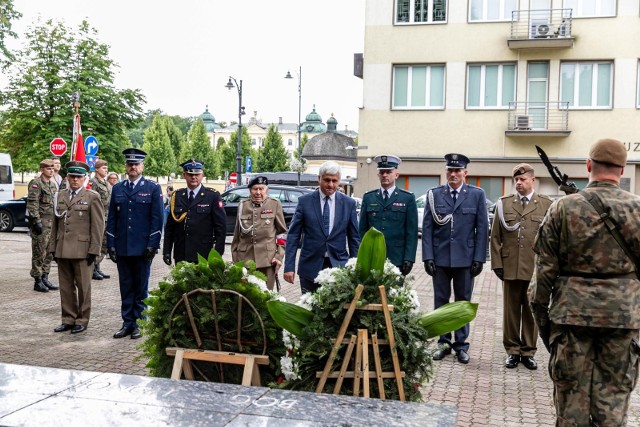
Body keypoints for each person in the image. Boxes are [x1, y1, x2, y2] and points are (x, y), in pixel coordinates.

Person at [529, 138, 640, 426]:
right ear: (623, 169)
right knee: (613, 408)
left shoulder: (561, 209)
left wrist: (547, 330)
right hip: (622, 320)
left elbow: (541, 282)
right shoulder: (638, 209)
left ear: (588, 165)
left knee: (571, 411)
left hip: (571, 321)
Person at [422, 153, 488, 364]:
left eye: (457, 171)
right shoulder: (434, 195)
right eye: (450, 170)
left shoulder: (476, 195)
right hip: (440, 258)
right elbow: (427, 229)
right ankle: (443, 343)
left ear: (465, 173)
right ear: (446, 172)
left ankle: (461, 345)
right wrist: (427, 257)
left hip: (465, 259)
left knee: (463, 302)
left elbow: (482, 229)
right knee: (441, 301)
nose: (453, 174)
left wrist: (479, 258)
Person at [490, 164, 552, 370]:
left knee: (531, 311)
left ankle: (528, 351)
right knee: (511, 311)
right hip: (510, 266)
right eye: (516, 180)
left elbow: (550, 239)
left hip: (535, 268)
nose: (518, 183)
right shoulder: (504, 204)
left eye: (523, 179)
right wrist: (497, 264)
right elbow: (495, 237)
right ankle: (512, 351)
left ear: (532, 180)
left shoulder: (546, 204)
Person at [106, 148, 163, 340]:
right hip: (123, 247)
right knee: (126, 286)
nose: (133, 167)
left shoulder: (152, 188)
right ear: (126, 166)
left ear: (142, 166)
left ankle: (139, 323)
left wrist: (153, 244)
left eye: (136, 164)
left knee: (141, 287)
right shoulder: (118, 188)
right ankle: (127, 322)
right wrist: (111, 244)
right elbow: (112, 219)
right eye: (130, 164)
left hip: (142, 248)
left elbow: (157, 219)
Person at [284, 161, 360, 294]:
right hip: (310, 267)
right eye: (327, 180)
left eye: (334, 181)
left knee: (336, 312)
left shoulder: (349, 204)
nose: (331, 184)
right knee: (309, 309)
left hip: (339, 267)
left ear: (339, 181)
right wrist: (289, 267)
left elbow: (354, 239)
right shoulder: (304, 202)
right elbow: (293, 235)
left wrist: (356, 268)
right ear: (319, 179)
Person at [50, 161, 104, 334]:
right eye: (72, 176)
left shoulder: (92, 196)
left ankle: (82, 319)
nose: (75, 180)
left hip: (82, 251)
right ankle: (68, 318)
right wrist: (52, 248)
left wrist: (94, 250)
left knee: (84, 288)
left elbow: (97, 226)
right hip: (63, 248)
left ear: (84, 178)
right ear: (67, 177)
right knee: (65, 287)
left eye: (78, 177)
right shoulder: (60, 195)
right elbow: (55, 224)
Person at [359, 154, 417, 275]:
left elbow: (411, 232)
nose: (385, 175)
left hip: (396, 257)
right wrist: (360, 256)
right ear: (378, 175)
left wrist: (409, 258)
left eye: (389, 172)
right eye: (382, 172)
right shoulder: (369, 197)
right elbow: (362, 230)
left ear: (396, 175)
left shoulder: (407, 198)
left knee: (395, 293)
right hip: (372, 257)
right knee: (372, 293)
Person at [163, 159, 226, 264]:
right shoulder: (177, 196)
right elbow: (170, 228)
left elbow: (221, 228)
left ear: (202, 175)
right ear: (184, 175)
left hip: (203, 254)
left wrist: (218, 254)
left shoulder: (212, 196)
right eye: (190, 174)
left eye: (197, 174)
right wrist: (167, 251)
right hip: (181, 253)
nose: (193, 177)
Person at [231, 176, 287, 290]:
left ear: (267, 190)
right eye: (254, 189)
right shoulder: (243, 205)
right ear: (250, 190)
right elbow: (237, 235)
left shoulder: (274, 204)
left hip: (267, 260)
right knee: (246, 295)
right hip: (245, 260)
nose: (258, 192)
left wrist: (279, 256)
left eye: (261, 189)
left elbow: (282, 233)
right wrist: (235, 259)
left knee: (266, 296)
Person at [27, 159, 59, 293]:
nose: (51, 170)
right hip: (42, 223)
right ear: (42, 169)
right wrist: (36, 221)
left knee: (50, 252)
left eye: (52, 168)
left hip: (52, 223)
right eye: (48, 168)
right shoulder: (36, 183)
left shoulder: (53, 185)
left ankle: (45, 277)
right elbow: (32, 203)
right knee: (39, 252)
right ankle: (38, 280)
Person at [88, 159, 111, 280]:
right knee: (97, 242)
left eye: (106, 168)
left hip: (107, 216)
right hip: (98, 217)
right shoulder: (93, 183)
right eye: (103, 168)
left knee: (104, 243)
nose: (106, 170)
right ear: (96, 169)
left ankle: (97, 266)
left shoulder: (107, 183)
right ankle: (92, 268)